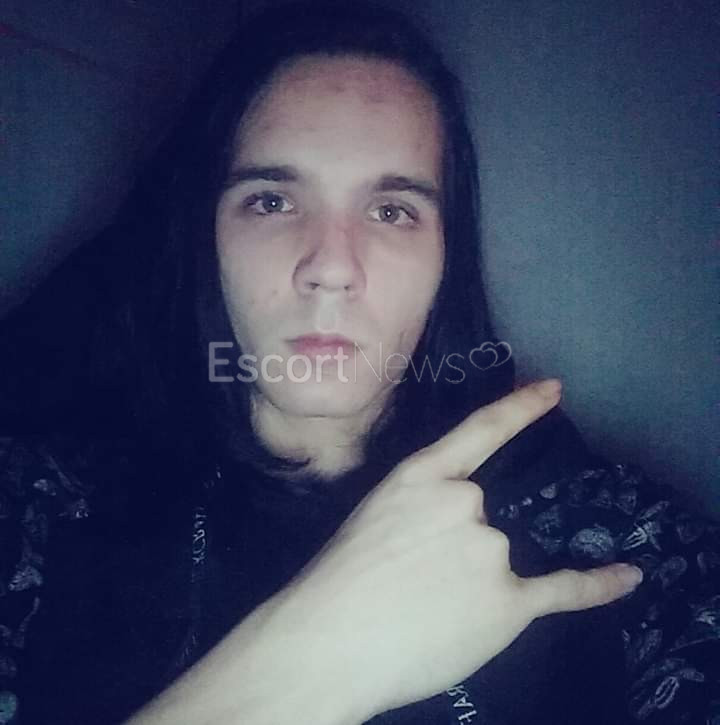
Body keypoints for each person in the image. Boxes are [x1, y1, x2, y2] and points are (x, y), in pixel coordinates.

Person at [1, 2, 718, 724]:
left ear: (447, 257)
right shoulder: (39, 504)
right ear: (205, 234)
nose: (332, 268)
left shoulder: (611, 534)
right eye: (273, 200)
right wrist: (308, 667)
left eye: (391, 211)